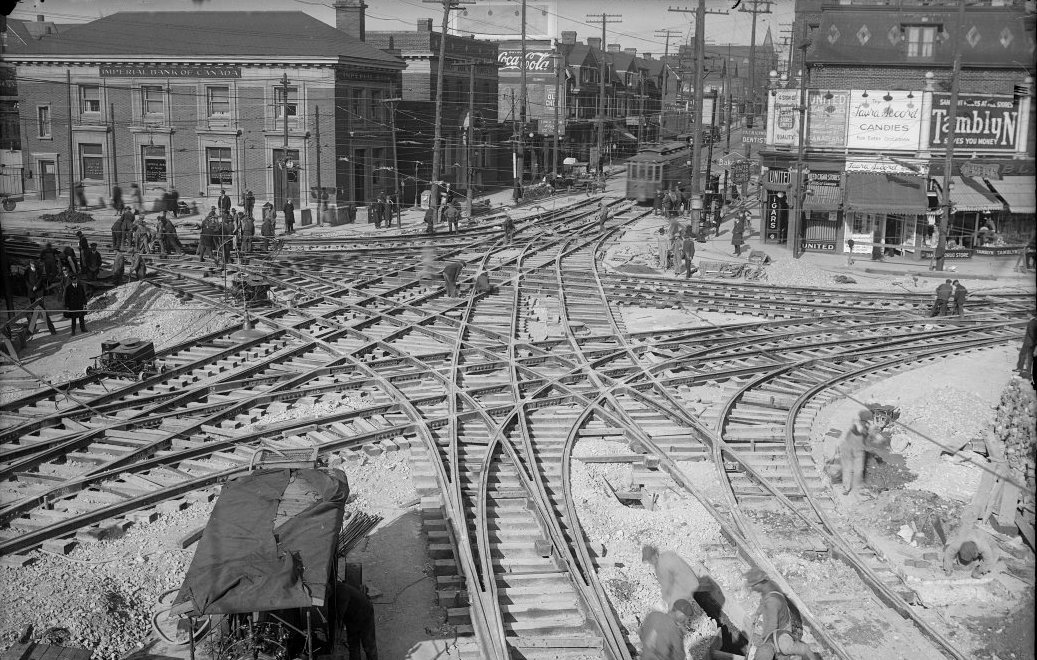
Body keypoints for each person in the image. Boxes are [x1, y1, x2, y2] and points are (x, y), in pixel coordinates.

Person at [744, 568, 822, 660]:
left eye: (753, 586)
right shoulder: (769, 586)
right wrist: (757, 613)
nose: (752, 588)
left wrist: (764, 641)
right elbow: (764, 600)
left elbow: (771, 625)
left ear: (759, 583)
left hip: (782, 630)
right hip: (780, 630)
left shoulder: (772, 602)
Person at [641, 544, 703, 610]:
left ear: (654, 555)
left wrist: (665, 601)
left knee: (672, 607)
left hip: (688, 586)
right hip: (692, 581)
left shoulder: (661, 565)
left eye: (650, 559)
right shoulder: (666, 555)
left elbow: (667, 585)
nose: (650, 562)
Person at [334, 582, 377, 660]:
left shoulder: (342, 593)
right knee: (353, 645)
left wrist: (335, 634)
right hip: (352, 618)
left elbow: (339, 616)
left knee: (369, 645)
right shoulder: (336, 589)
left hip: (365, 614)